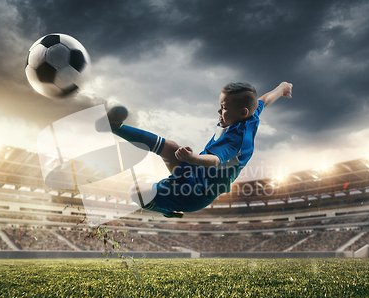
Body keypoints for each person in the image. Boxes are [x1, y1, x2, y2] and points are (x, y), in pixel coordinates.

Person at [101, 82, 293, 218]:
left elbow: (215, 160)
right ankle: (116, 127)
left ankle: (168, 211)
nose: (219, 111)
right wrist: (281, 88)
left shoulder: (236, 139)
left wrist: (192, 158)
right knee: (170, 147)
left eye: (224, 108)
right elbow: (264, 100)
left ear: (242, 112)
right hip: (195, 173)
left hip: (194, 193)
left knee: (135, 192)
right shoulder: (251, 116)